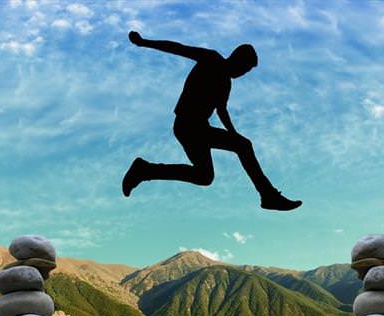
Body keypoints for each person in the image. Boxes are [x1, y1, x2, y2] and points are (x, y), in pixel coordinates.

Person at [122, 31, 302, 211]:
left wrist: (233, 134)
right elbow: (178, 48)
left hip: (198, 128)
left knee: (204, 176)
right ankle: (268, 195)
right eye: (245, 69)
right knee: (243, 146)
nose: (243, 74)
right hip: (188, 125)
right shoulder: (212, 59)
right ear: (238, 60)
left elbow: (221, 110)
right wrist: (144, 42)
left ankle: (145, 170)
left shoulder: (226, 83)